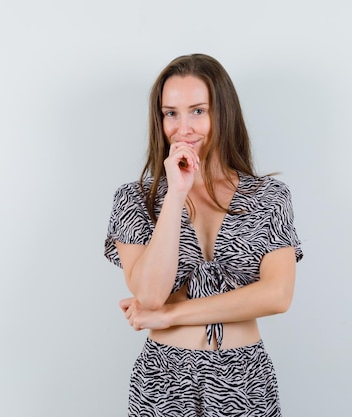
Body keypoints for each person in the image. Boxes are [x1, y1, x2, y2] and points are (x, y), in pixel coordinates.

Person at [104, 53, 303, 417]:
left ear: (222, 113)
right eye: (171, 113)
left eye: (198, 111)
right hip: (164, 378)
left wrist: (171, 316)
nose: (184, 128)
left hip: (243, 377)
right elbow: (149, 295)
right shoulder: (133, 199)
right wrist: (176, 194)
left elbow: (277, 295)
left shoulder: (269, 197)